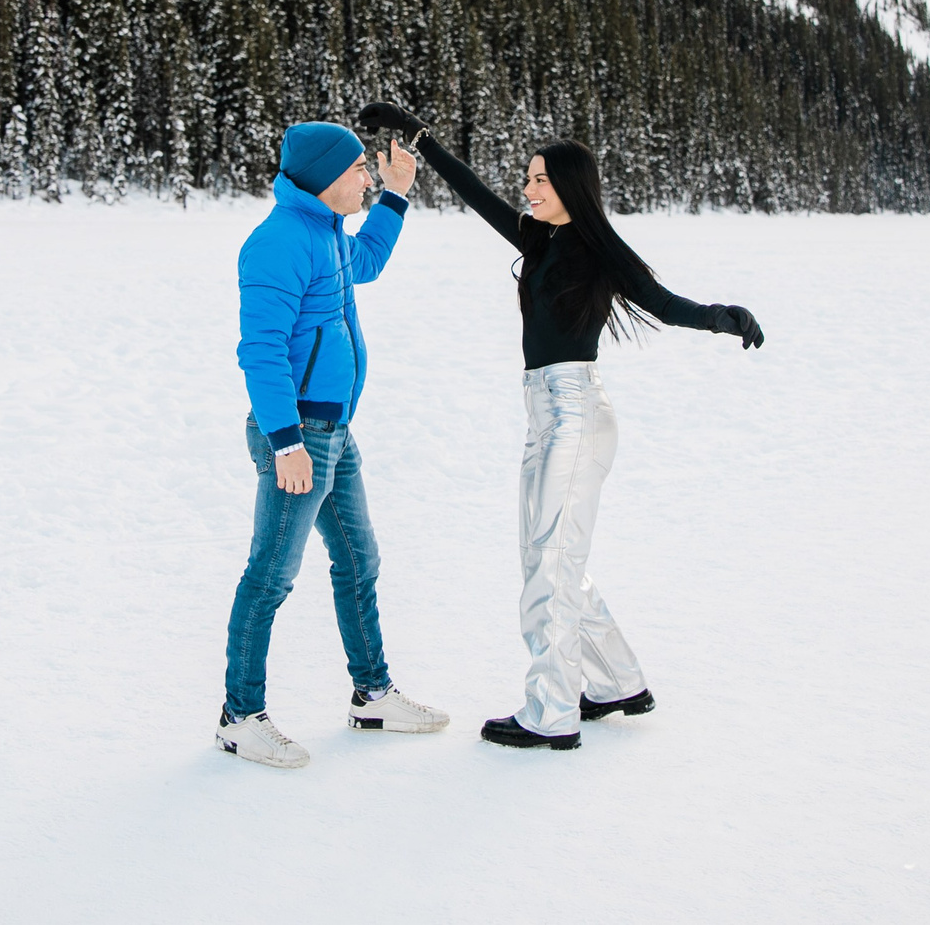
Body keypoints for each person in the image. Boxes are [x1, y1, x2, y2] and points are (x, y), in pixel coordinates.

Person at [357, 104, 763, 752]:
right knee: (547, 559)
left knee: (550, 562)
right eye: (528, 178)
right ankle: (617, 683)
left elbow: (663, 304)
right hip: (542, 413)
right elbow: (474, 192)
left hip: (577, 414)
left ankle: (551, 711)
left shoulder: (599, 248)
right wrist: (418, 135)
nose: (528, 189)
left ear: (570, 185)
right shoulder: (537, 238)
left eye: (540, 180)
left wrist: (725, 317)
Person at [215, 121, 450, 769]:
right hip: (299, 439)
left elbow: (367, 263)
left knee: (359, 560)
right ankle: (241, 716)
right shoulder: (277, 243)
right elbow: (260, 351)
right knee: (270, 577)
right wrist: (284, 440)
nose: (366, 179)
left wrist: (398, 196)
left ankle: (371, 693)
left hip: (334, 435)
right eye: (358, 172)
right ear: (323, 177)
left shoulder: (327, 233)